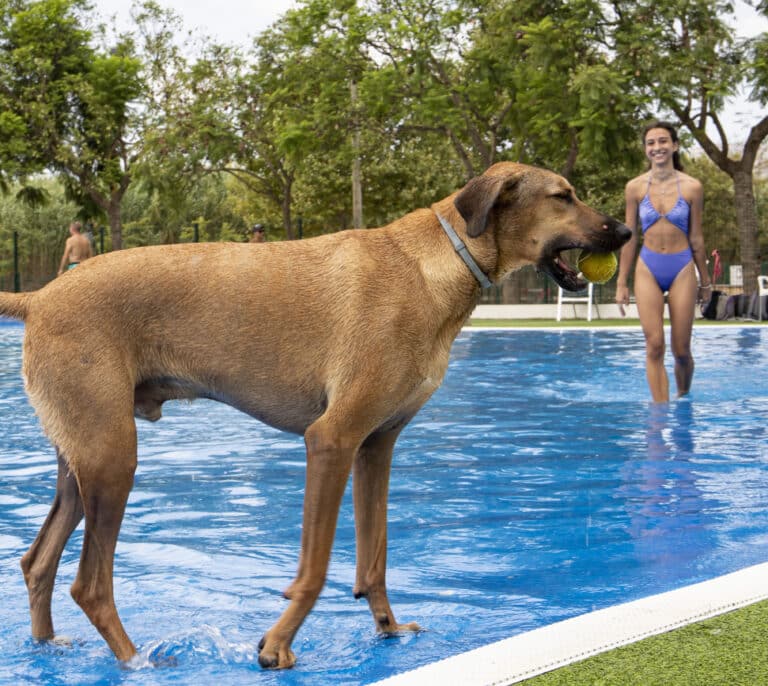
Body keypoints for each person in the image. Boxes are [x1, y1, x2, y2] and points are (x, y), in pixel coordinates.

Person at [616, 120, 712, 403]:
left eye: (662, 141)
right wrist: (622, 282)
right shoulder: (634, 188)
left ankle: (683, 395)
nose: (657, 147)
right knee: (654, 345)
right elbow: (630, 237)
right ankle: (660, 413)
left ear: (674, 145)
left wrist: (705, 282)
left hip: (682, 267)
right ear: (645, 149)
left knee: (681, 350)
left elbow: (696, 238)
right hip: (648, 267)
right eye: (651, 142)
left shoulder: (692, 187)